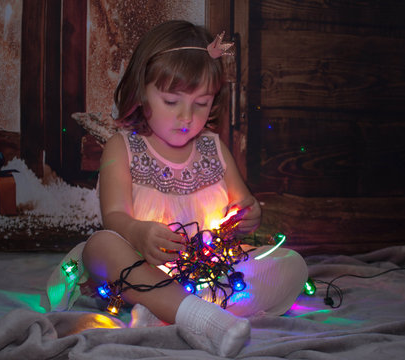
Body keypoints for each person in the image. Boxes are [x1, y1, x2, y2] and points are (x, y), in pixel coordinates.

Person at [47, 20, 308, 357]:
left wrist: (249, 213)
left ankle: (170, 309)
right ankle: (193, 315)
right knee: (99, 247)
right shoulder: (123, 148)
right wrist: (138, 233)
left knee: (290, 264)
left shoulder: (214, 149)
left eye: (201, 103)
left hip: (204, 273)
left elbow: (242, 205)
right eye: (172, 101)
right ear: (142, 92)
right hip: (136, 268)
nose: (187, 117)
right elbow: (113, 216)